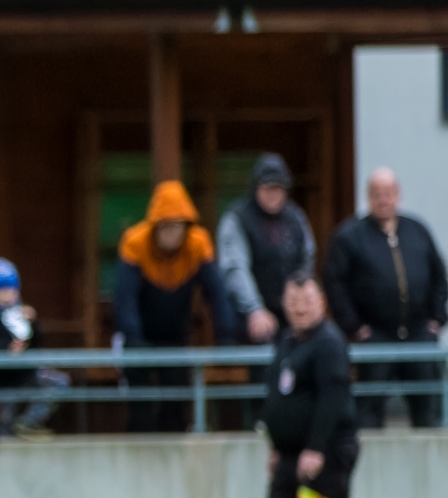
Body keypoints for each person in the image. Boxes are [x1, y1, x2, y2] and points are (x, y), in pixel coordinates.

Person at [203, 272, 368, 498]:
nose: (300, 308)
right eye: (293, 302)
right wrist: (277, 446)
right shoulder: (288, 341)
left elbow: (333, 400)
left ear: (321, 302)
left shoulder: (329, 343)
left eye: (306, 301)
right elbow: (279, 396)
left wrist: (316, 448)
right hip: (290, 453)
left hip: (325, 451)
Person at [324, 168, 447, 431]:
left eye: (388, 193)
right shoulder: (350, 236)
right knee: (369, 411)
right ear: (368, 196)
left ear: (398, 195)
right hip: (375, 336)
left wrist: (437, 319)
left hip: (418, 334)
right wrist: (354, 326)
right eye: (377, 193)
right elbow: (335, 283)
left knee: (428, 409)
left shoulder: (417, 230)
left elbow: (439, 275)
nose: (383, 199)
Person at [113, 181, 234, 432]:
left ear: (186, 226)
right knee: (141, 409)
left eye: (177, 226)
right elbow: (125, 297)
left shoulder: (198, 244)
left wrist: (225, 335)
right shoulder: (135, 243)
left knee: (176, 405)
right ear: (154, 226)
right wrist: (132, 337)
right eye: (165, 226)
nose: (171, 233)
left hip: (177, 335)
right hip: (140, 335)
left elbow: (216, 292)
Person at [218, 154, 315, 427]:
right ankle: (259, 422)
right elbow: (235, 268)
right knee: (261, 370)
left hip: (292, 315)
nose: (273, 194)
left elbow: (306, 261)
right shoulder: (238, 218)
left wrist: (300, 306)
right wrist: (254, 310)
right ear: (255, 188)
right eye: (267, 188)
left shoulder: (296, 218)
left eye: (279, 188)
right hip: (252, 317)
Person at [0, 258, 66, 439]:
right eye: (1, 289)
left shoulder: (20, 312)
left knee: (58, 382)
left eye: (11, 289)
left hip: (27, 371)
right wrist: (7, 348)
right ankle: (5, 441)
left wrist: (33, 321)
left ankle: (29, 423)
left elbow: (36, 340)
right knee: (6, 418)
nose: (7, 294)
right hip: (3, 376)